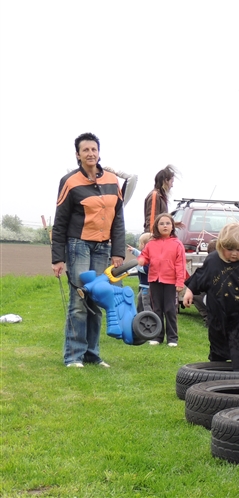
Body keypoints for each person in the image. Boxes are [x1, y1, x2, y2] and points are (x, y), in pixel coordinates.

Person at [52, 132, 126, 368]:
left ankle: (92, 354)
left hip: (103, 247)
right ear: (78, 155)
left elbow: (118, 218)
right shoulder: (70, 181)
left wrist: (118, 252)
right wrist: (58, 258)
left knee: (97, 298)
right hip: (78, 246)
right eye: (85, 150)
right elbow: (60, 221)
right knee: (80, 299)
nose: (90, 153)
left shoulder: (113, 181)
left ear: (99, 152)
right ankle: (74, 356)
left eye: (94, 149)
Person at [183, 223, 239, 371]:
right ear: (221, 246)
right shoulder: (213, 261)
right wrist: (189, 291)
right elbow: (200, 277)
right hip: (217, 315)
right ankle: (216, 377)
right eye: (229, 249)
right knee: (217, 348)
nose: (234, 254)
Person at [136, 213, 186, 347]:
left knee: (170, 309)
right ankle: (157, 336)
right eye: (162, 224)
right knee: (156, 309)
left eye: (168, 223)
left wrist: (180, 282)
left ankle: (172, 338)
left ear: (172, 226)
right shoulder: (151, 244)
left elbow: (180, 264)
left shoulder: (177, 244)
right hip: (154, 280)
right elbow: (144, 256)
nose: (165, 226)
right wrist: (141, 260)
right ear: (156, 227)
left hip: (170, 282)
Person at [143, 165, 178, 233]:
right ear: (166, 181)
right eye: (171, 182)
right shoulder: (155, 195)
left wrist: (174, 224)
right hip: (155, 236)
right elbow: (151, 221)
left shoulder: (160, 196)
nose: (172, 185)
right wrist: (152, 237)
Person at [127, 232, 152, 312]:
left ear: (145, 245)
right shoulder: (146, 255)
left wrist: (138, 266)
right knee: (140, 299)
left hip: (147, 286)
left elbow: (147, 270)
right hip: (144, 285)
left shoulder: (150, 257)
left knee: (146, 303)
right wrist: (134, 250)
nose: (139, 245)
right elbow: (140, 254)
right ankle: (140, 315)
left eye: (140, 243)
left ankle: (149, 316)